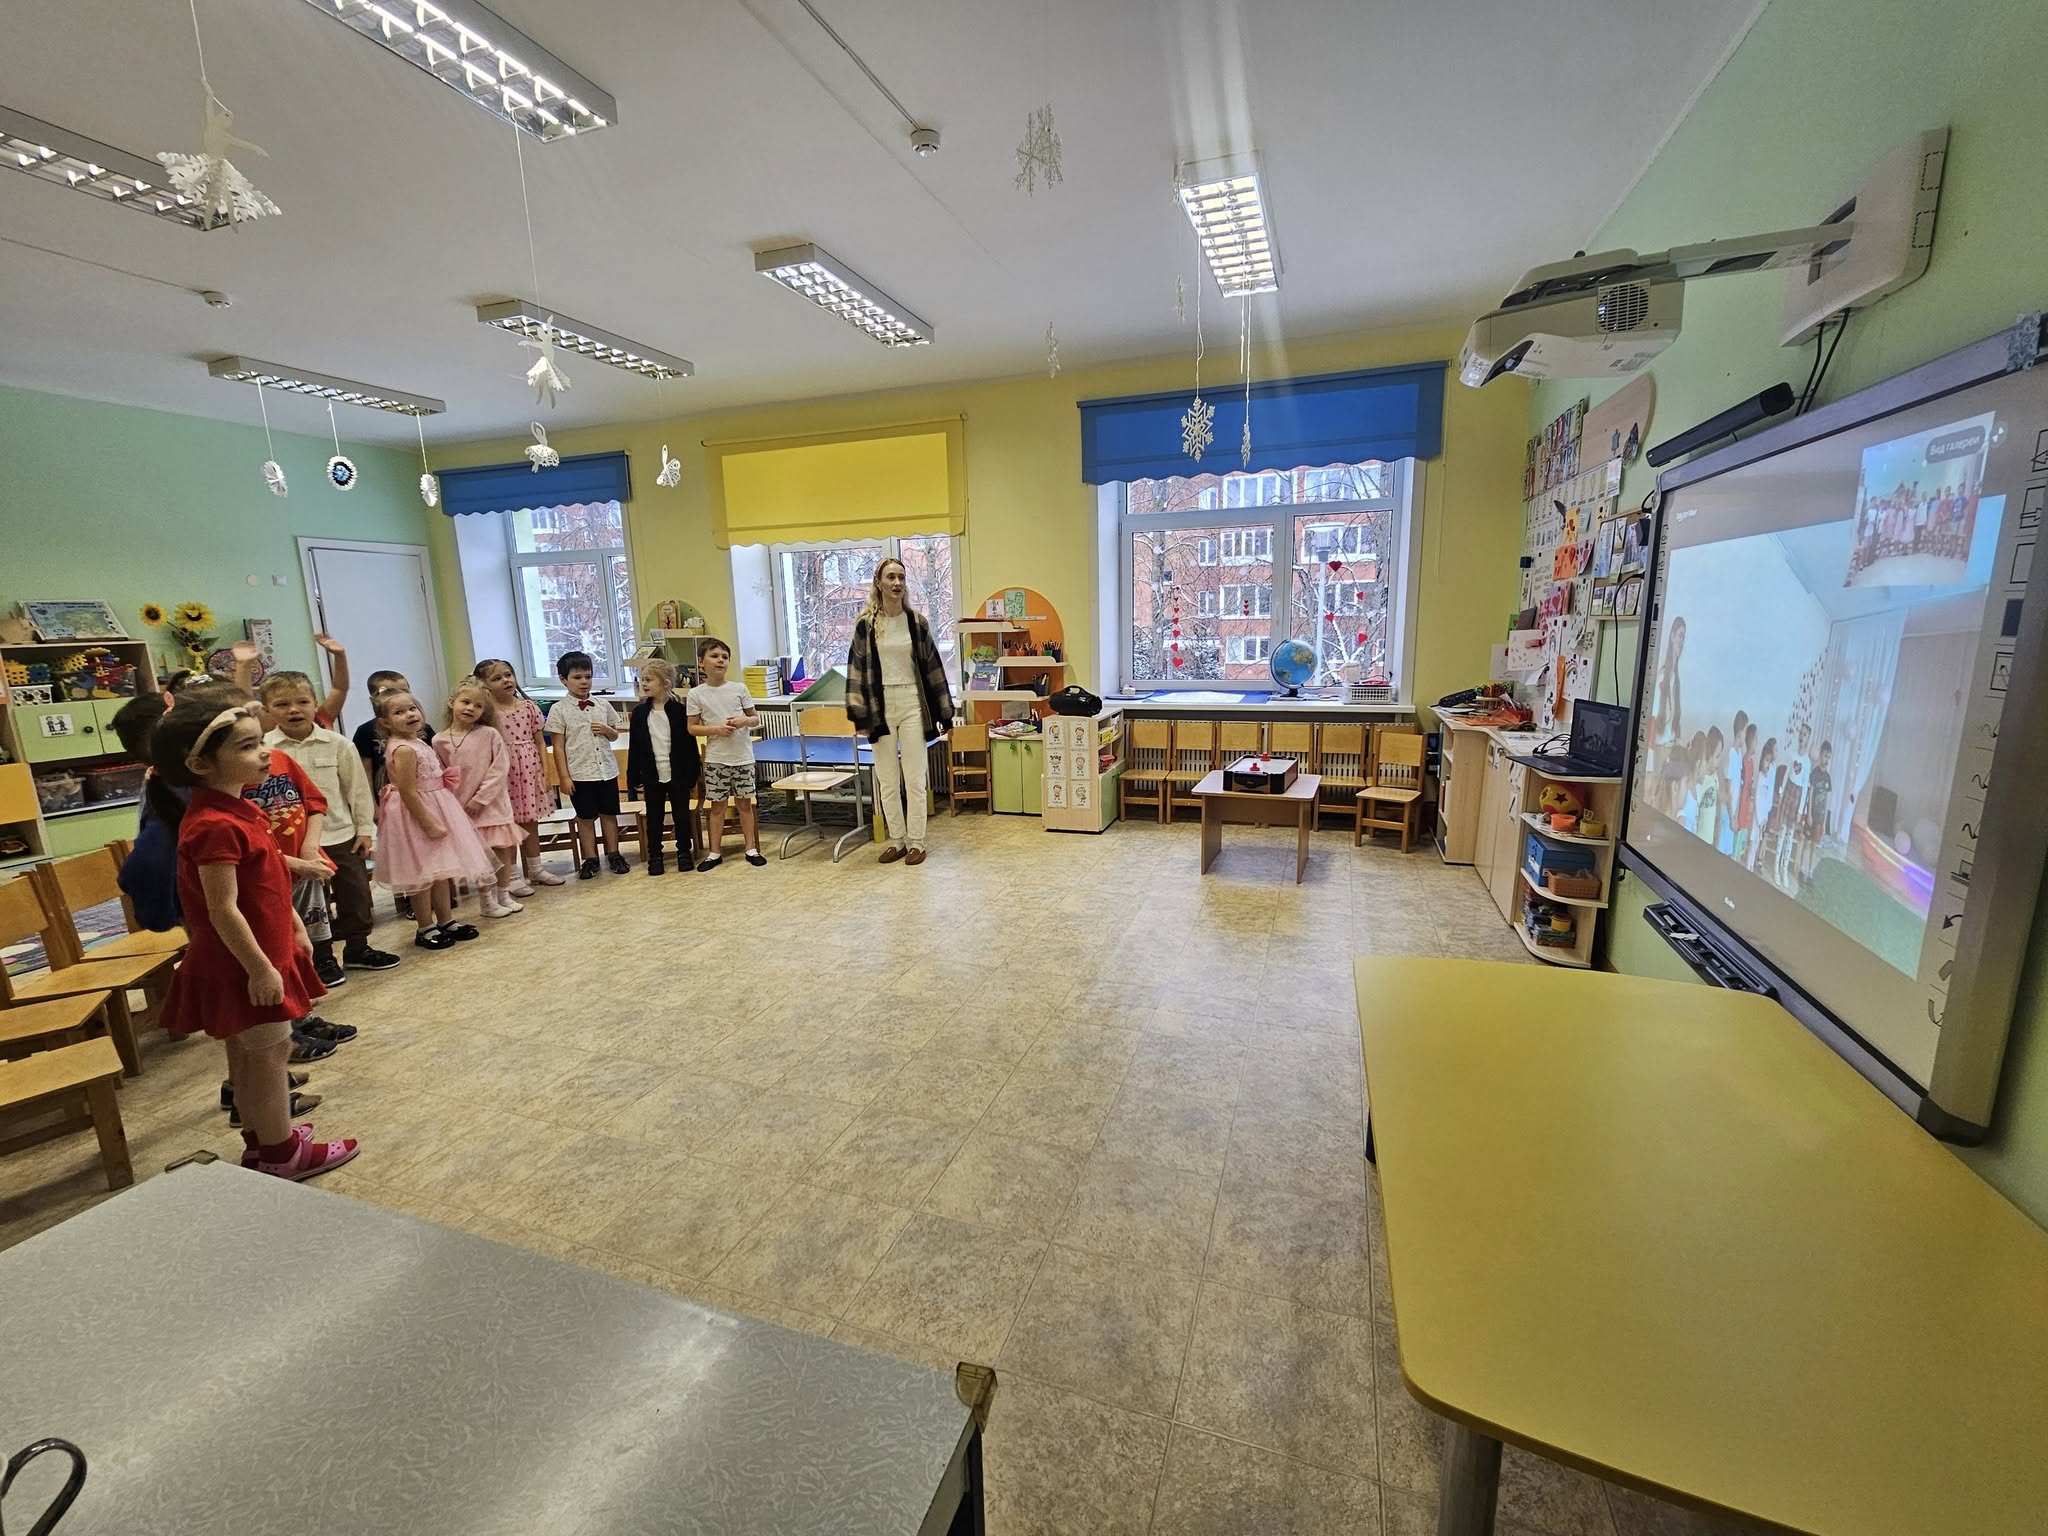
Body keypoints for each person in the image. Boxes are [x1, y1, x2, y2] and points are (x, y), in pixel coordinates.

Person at [147, 698, 358, 1181]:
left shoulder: (239, 810)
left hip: (262, 951)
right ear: (200, 764)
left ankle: (263, 1141)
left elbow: (264, 874)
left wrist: (295, 924)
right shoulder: (213, 825)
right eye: (247, 746)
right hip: (243, 964)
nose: (264, 752)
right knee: (268, 1056)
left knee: (253, 1055)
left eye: (260, 741)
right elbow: (222, 908)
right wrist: (261, 968)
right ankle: (283, 1154)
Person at [262, 670, 400, 979]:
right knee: (312, 904)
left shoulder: (337, 744)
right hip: (293, 844)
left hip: (341, 835)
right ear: (267, 710)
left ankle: (358, 948)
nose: (294, 710)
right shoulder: (265, 749)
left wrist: (365, 831)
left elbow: (358, 790)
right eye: (282, 704)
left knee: (356, 895)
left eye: (302, 702)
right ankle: (321, 958)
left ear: (315, 704)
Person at [845, 557, 956, 866]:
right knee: (887, 779)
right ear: (878, 583)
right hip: (879, 707)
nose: (897, 583)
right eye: (891, 577)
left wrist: (945, 714)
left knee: (916, 777)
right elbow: (855, 671)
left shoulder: (916, 622)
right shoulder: (866, 625)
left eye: (901, 578)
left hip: (912, 703)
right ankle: (898, 840)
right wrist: (859, 715)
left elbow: (934, 669)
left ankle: (917, 842)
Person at [373, 690, 495, 949]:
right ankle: (425, 927)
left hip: (438, 805)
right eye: (399, 712)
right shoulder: (403, 749)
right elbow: (407, 791)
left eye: (412, 708)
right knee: (423, 875)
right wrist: (428, 823)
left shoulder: (418, 741)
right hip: (417, 815)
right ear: (385, 722)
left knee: (442, 870)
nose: (409, 714)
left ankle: (446, 920)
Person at [436, 679, 524, 917]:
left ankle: (503, 894)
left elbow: (499, 769)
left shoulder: (489, 734)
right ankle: (486, 901)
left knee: (502, 850)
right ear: (452, 702)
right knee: (480, 855)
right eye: (465, 702)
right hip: (462, 809)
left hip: (493, 805)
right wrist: (454, 804)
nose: (470, 708)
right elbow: (441, 776)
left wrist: (480, 798)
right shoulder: (439, 740)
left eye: (477, 706)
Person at [475, 658, 562, 890]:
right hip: (502, 774)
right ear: (484, 685)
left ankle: (536, 869)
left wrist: (545, 772)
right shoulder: (486, 712)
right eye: (497, 678)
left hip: (529, 771)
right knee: (507, 824)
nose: (506, 680)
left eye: (508, 675)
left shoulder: (528, 707)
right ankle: (511, 876)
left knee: (530, 822)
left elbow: (540, 742)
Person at [544, 651, 628, 879]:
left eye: (588, 677)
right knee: (585, 817)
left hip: (606, 771)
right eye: (577, 677)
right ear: (563, 679)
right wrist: (564, 777)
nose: (584, 682)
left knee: (609, 814)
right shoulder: (559, 709)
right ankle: (590, 858)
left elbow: (614, 735)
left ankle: (614, 854)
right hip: (580, 774)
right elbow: (558, 747)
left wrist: (608, 730)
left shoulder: (603, 705)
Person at [686, 639, 764, 870]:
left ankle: (751, 848)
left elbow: (755, 718)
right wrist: (716, 730)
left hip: (742, 757)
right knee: (717, 807)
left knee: (744, 804)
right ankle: (714, 852)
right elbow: (692, 728)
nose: (720, 660)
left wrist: (743, 721)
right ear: (701, 662)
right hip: (716, 759)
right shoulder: (696, 694)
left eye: (724, 657)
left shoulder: (739, 689)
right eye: (714, 656)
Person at [626, 657, 700, 876]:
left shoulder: (679, 711)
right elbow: (634, 746)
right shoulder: (640, 713)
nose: (644, 684)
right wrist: (633, 776)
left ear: (666, 683)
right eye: (642, 680)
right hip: (652, 773)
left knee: (681, 815)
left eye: (649, 680)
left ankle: (684, 852)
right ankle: (655, 856)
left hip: (677, 773)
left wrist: (693, 773)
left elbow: (689, 745)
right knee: (655, 816)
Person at [353, 669, 434, 789]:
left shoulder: (424, 728)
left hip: (426, 791)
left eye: (404, 692)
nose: (398, 698)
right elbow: (365, 773)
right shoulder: (365, 731)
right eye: (389, 693)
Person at [1802, 739, 1834, 884]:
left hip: (1820, 819)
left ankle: (1810, 872)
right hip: (1812, 816)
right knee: (1806, 842)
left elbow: (1826, 800)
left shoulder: (1828, 778)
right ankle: (1802, 868)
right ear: (1820, 754)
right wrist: (1809, 814)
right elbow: (1810, 794)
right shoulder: (1814, 773)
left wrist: (1825, 820)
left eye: (1829, 757)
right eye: (1825, 755)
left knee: (1814, 845)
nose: (1826, 759)